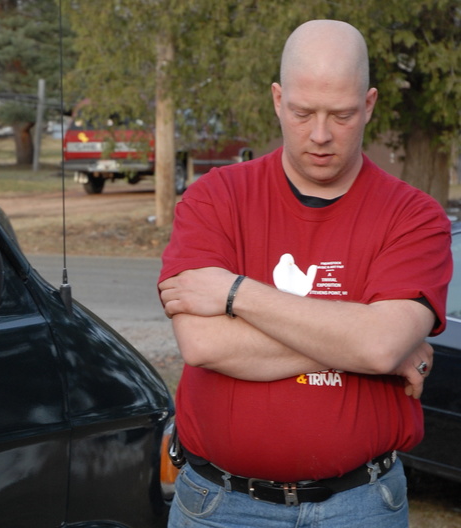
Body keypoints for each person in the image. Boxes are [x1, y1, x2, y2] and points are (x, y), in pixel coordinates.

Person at [158, 20, 452, 528]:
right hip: (221, 506)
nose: (320, 135)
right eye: (302, 112)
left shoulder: (414, 216)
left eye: (340, 115)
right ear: (277, 99)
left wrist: (236, 293)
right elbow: (203, 344)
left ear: (369, 104)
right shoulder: (215, 198)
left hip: (360, 506)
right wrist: (363, 338)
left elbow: (380, 346)